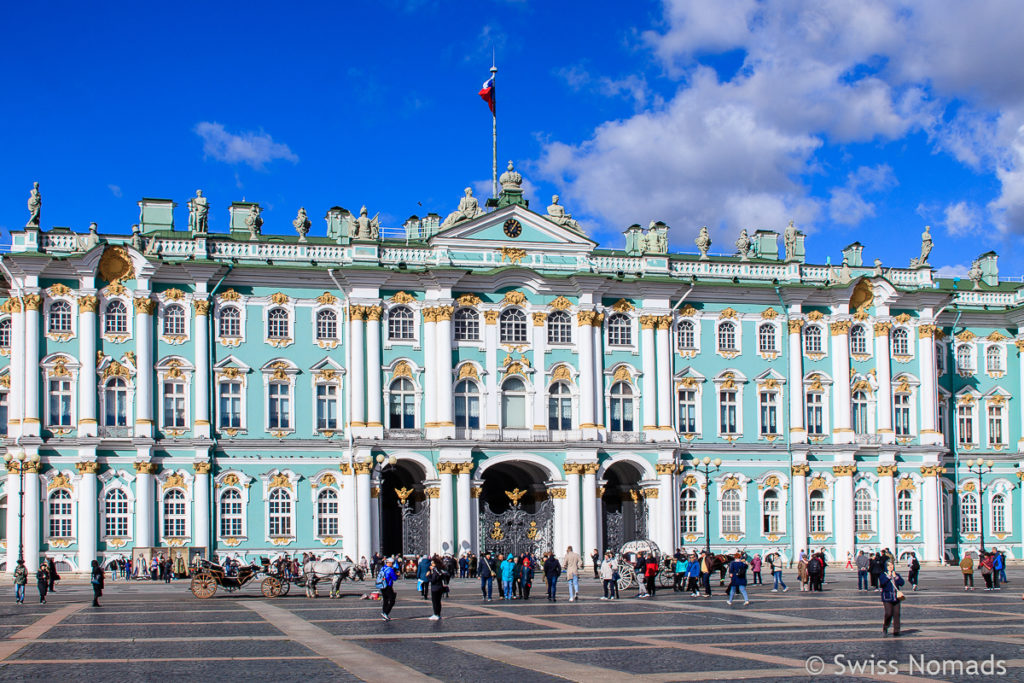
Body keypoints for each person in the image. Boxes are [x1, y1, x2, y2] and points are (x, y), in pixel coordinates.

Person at [879, 562, 905, 636]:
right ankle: (885, 627)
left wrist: (896, 577)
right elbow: (882, 584)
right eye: (889, 565)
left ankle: (896, 630)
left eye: (892, 565)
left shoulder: (896, 574)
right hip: (887, 597)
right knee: (888, 613)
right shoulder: (883, 575)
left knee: (897, 614)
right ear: (886, 567)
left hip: (896, 598)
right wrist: (889, 577)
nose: (891, 567)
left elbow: (902, 583)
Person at [376, 557, 398, 621]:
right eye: (392, 563)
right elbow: (394, 578)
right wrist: (397, 574)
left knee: (385, 600)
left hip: (382, 586)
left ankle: (384, 614)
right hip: (388, 586)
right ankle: (385, 613)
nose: (393, 564)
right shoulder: (390, 570)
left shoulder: (382, 568)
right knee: (392, 600)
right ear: (390, 563)